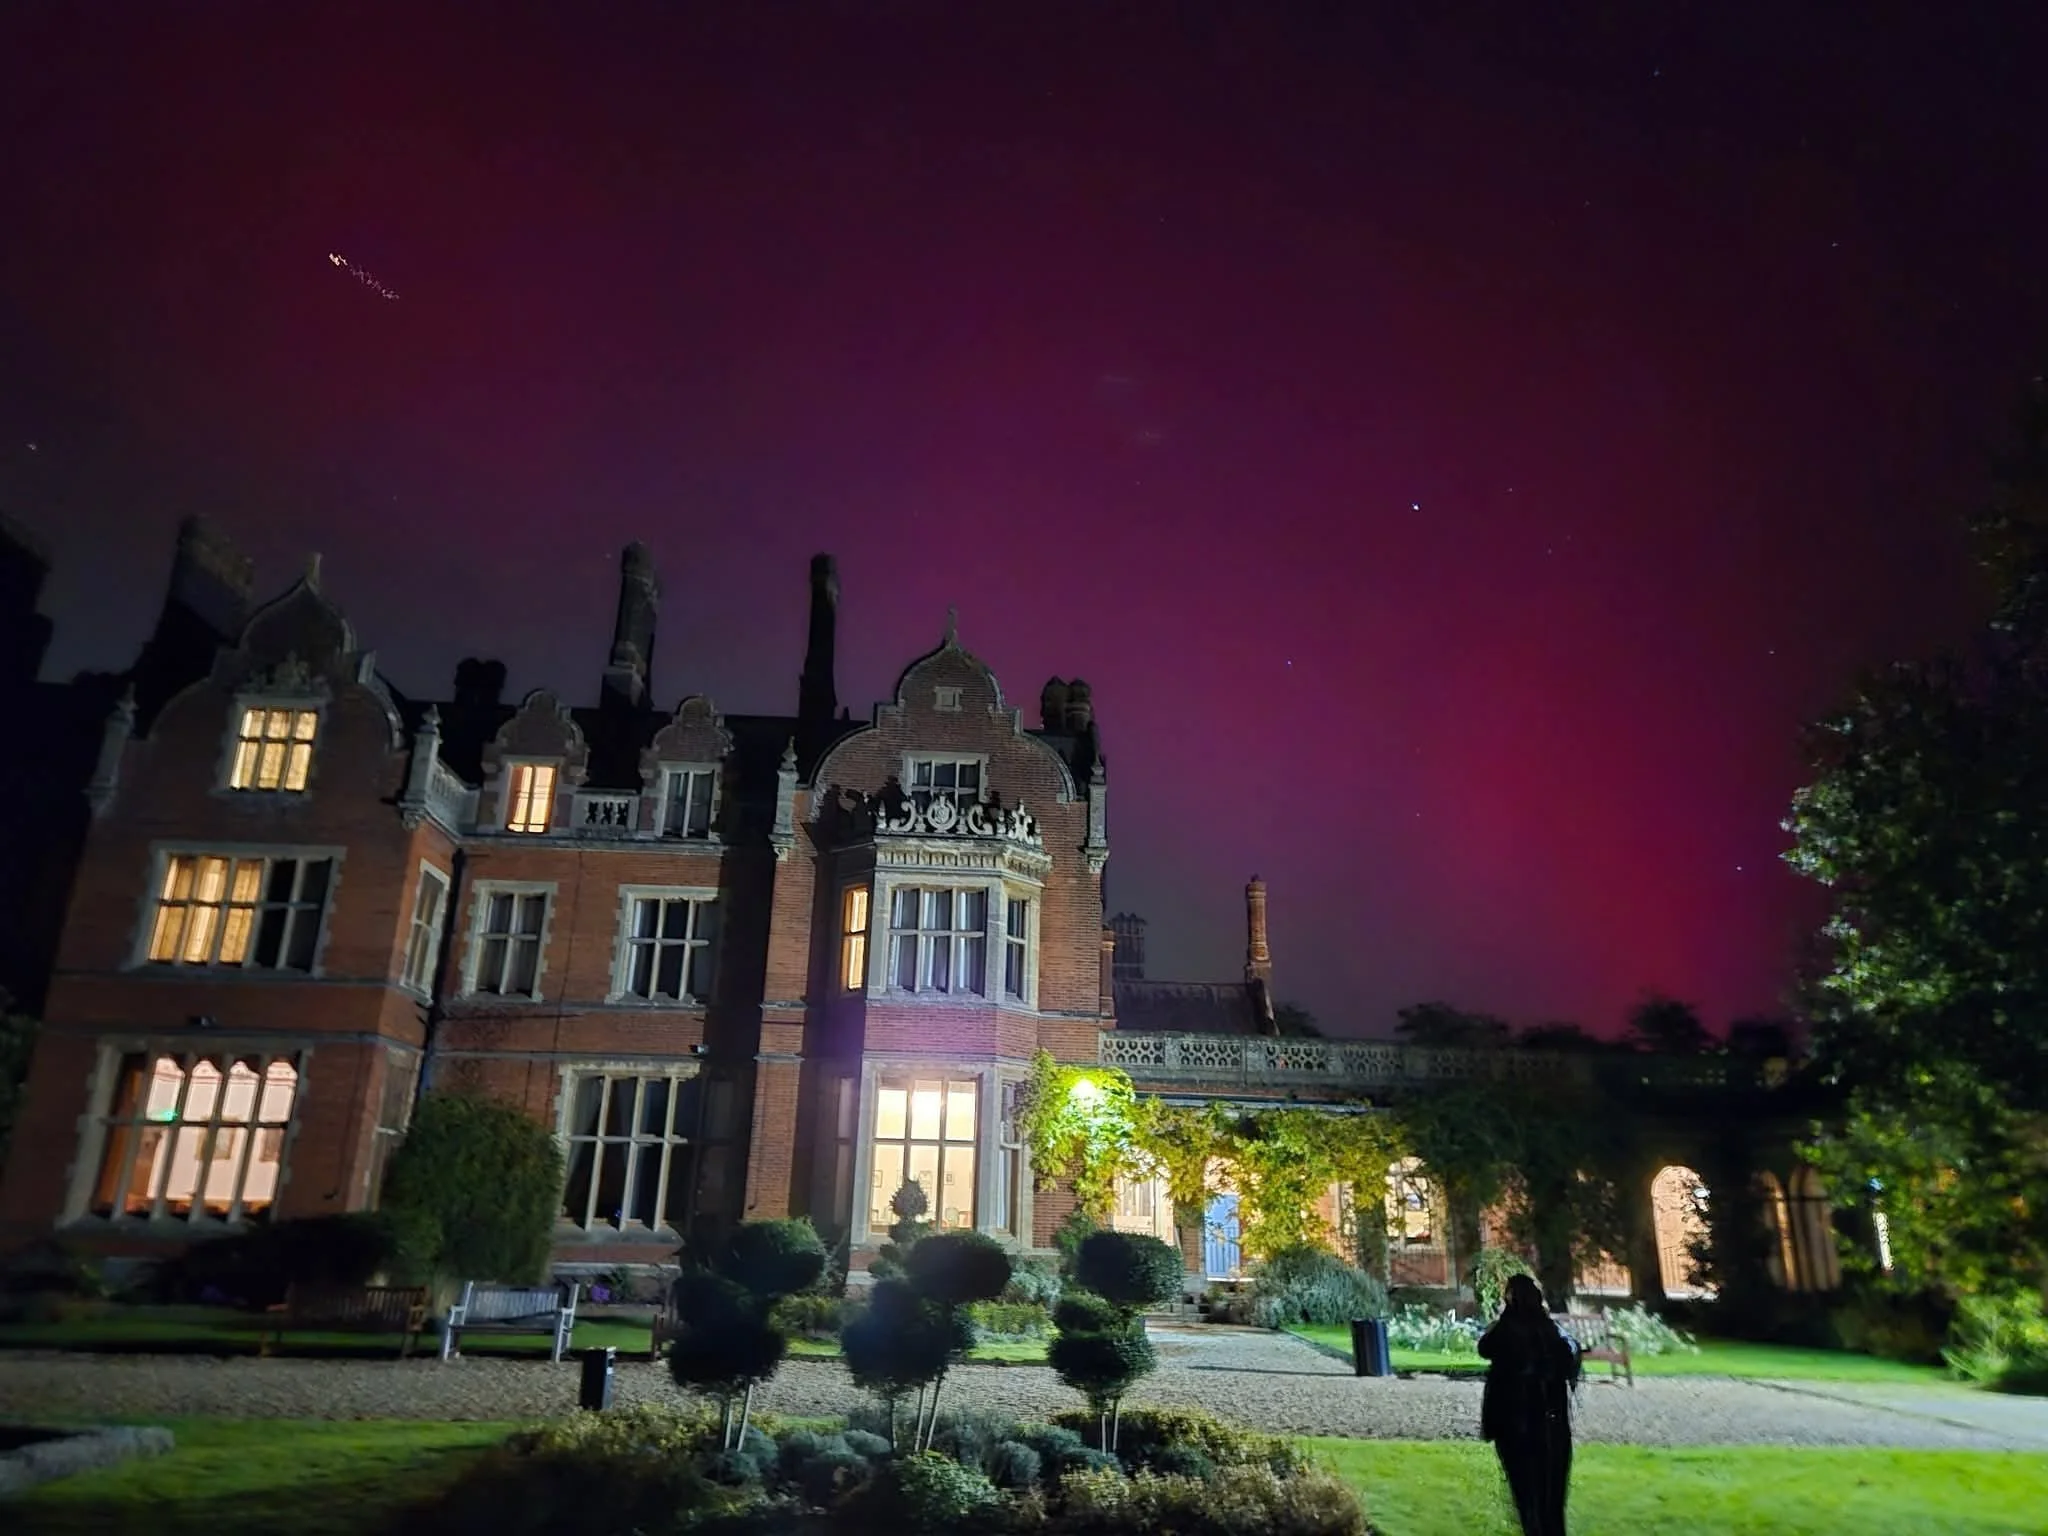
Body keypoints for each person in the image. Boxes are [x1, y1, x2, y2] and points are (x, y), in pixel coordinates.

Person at [1478, 1274, 1582, 1536]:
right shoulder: (1551, 1332)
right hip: (1550, 1423)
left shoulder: (1507, 1330)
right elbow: (1570, 1357)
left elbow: (1485, 1347)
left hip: (1516, 1424)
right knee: (1550, 1493)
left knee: (1527, 1492)